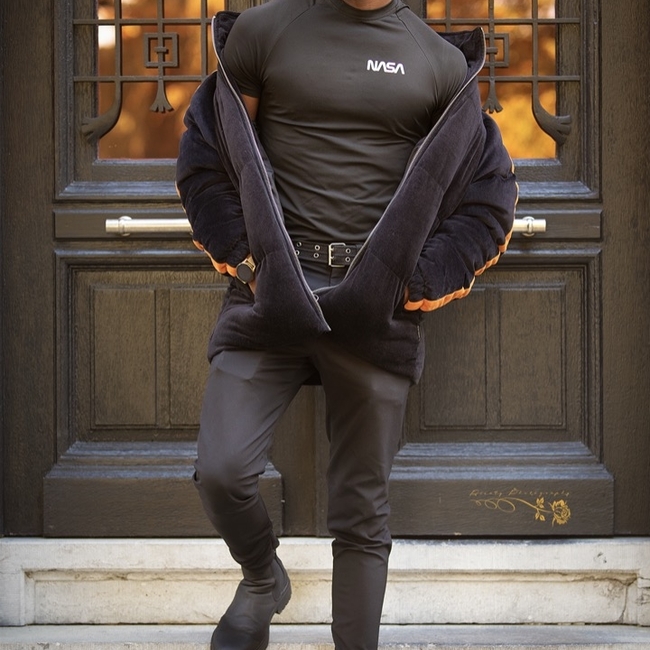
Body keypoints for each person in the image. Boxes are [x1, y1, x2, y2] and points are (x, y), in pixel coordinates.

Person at [176, 0, 518, 647]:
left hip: (373, 309)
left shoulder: (440, 64)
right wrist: (248, 262)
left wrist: (412, 284)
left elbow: (489, 195)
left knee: (361, 514)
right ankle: (261, 578)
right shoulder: (264, 31)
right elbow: (208, 152)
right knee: (222, 471)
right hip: (271, 297)